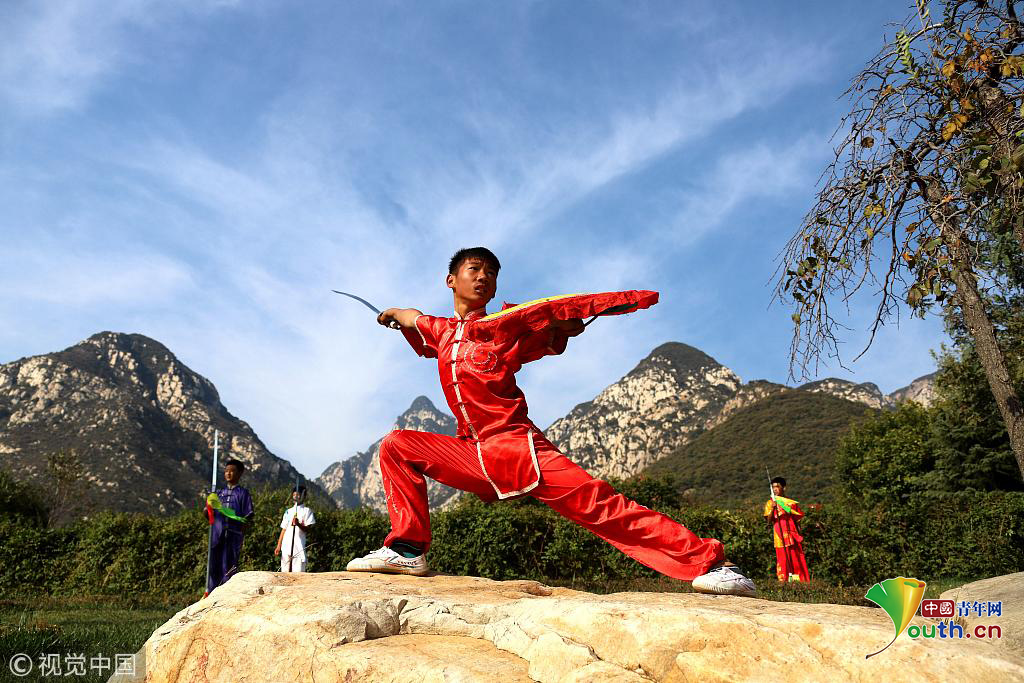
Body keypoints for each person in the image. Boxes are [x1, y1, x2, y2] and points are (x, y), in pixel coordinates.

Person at [345, 246, 756, 596]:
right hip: (474, 452)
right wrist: (393, 313)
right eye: (475, 270)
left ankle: (710, 564)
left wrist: (571, 321)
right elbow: (415, 317)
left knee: (602, 505)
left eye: (491, 273)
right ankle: (408, 550)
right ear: (451, 280)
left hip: (519, 448)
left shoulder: (505, 325)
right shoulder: (442, 331)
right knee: (397, 444)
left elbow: (550, 315)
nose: (484, 277)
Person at [206, 458, 254, 594]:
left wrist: (242, 533)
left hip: (233, 535)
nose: (228, 474)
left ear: (239, 474)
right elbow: (209, 515)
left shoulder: (243, 493)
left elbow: (248, 515)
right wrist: (207, 509)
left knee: (229, 566)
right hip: (216, 535)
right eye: (226, 471)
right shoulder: (218, 494)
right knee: (213, 565)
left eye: (232, 471)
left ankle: (227, 595)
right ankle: (211, 593)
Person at [763, 476, 810, 583]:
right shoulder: (770, 503)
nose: (775, 489)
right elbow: (769, 521)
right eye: (773, 487)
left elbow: (798, 520)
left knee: (795, 559)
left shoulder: (790, 503)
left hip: (792, 534)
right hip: (779, 535)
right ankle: (784, 582)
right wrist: (773, 508)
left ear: (784, 488)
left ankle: (796, 582)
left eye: (777, 487)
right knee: (783, 560)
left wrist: (800, 536)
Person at [275, 485, 316, 572]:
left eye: (298, 495)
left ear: (303, 496)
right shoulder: (288, 511)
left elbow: (308, 529)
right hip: (286, 546)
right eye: (294, 495)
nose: (296, 497)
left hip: (299, 547)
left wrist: (298, 524)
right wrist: (279, 546)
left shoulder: (307, 511)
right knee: (285, 572)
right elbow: (284, 529)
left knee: (298, 573)